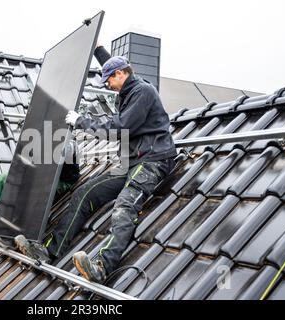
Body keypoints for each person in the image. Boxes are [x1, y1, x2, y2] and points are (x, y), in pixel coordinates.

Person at [14, 44, 177, 283]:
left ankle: (101, 265)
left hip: (153, 160)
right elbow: (113, 65)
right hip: (131, 162)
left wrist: (81, 121)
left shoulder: (143, 92)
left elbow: (119, 128)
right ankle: (49, 251)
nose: (108, 86)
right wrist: (97, 49)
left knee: (124, 205)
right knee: (84, 192)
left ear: (121, 74)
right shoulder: (128, 89)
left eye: (109, 80)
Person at [0, 162, 80, 225]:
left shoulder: (66, 141)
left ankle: (29, 224)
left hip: (61, 180)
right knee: (3, 179)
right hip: (42, 172)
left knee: (33, 186)